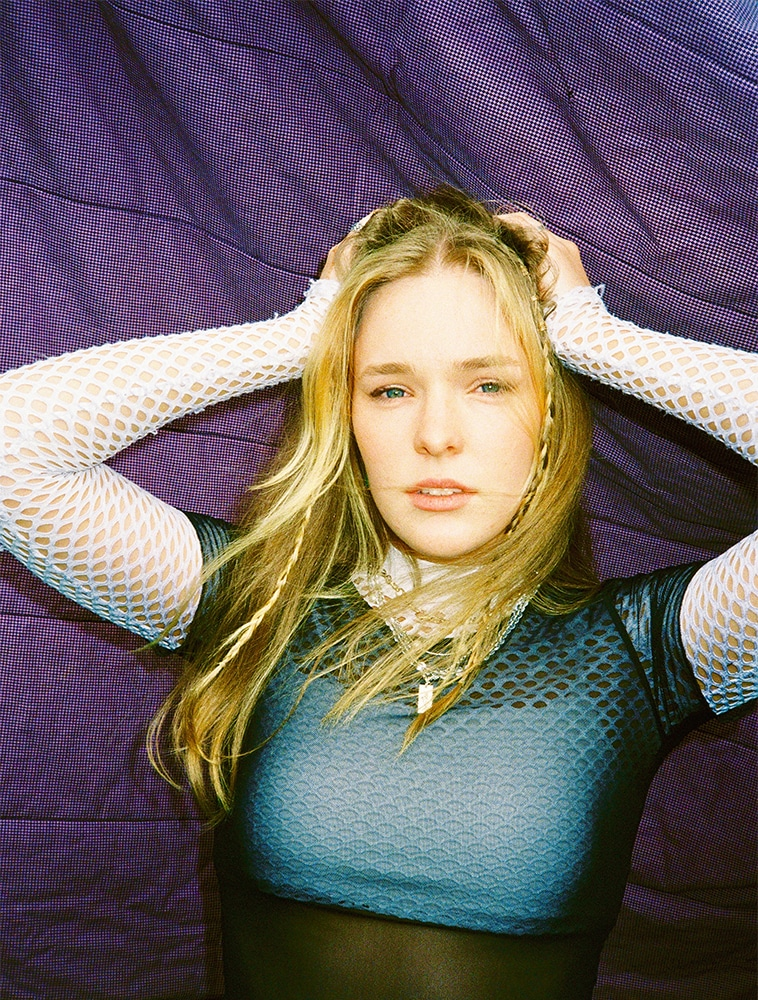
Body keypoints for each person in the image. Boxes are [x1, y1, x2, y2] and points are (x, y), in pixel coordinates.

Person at [0, 187, 755, 1000]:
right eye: (390, 389)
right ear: (347, 414)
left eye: (489, 385)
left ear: (549, 414)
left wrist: (596, 339)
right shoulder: (256, 605)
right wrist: (302, 336)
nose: (436, 435)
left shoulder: (643, 652)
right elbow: (13, 451)